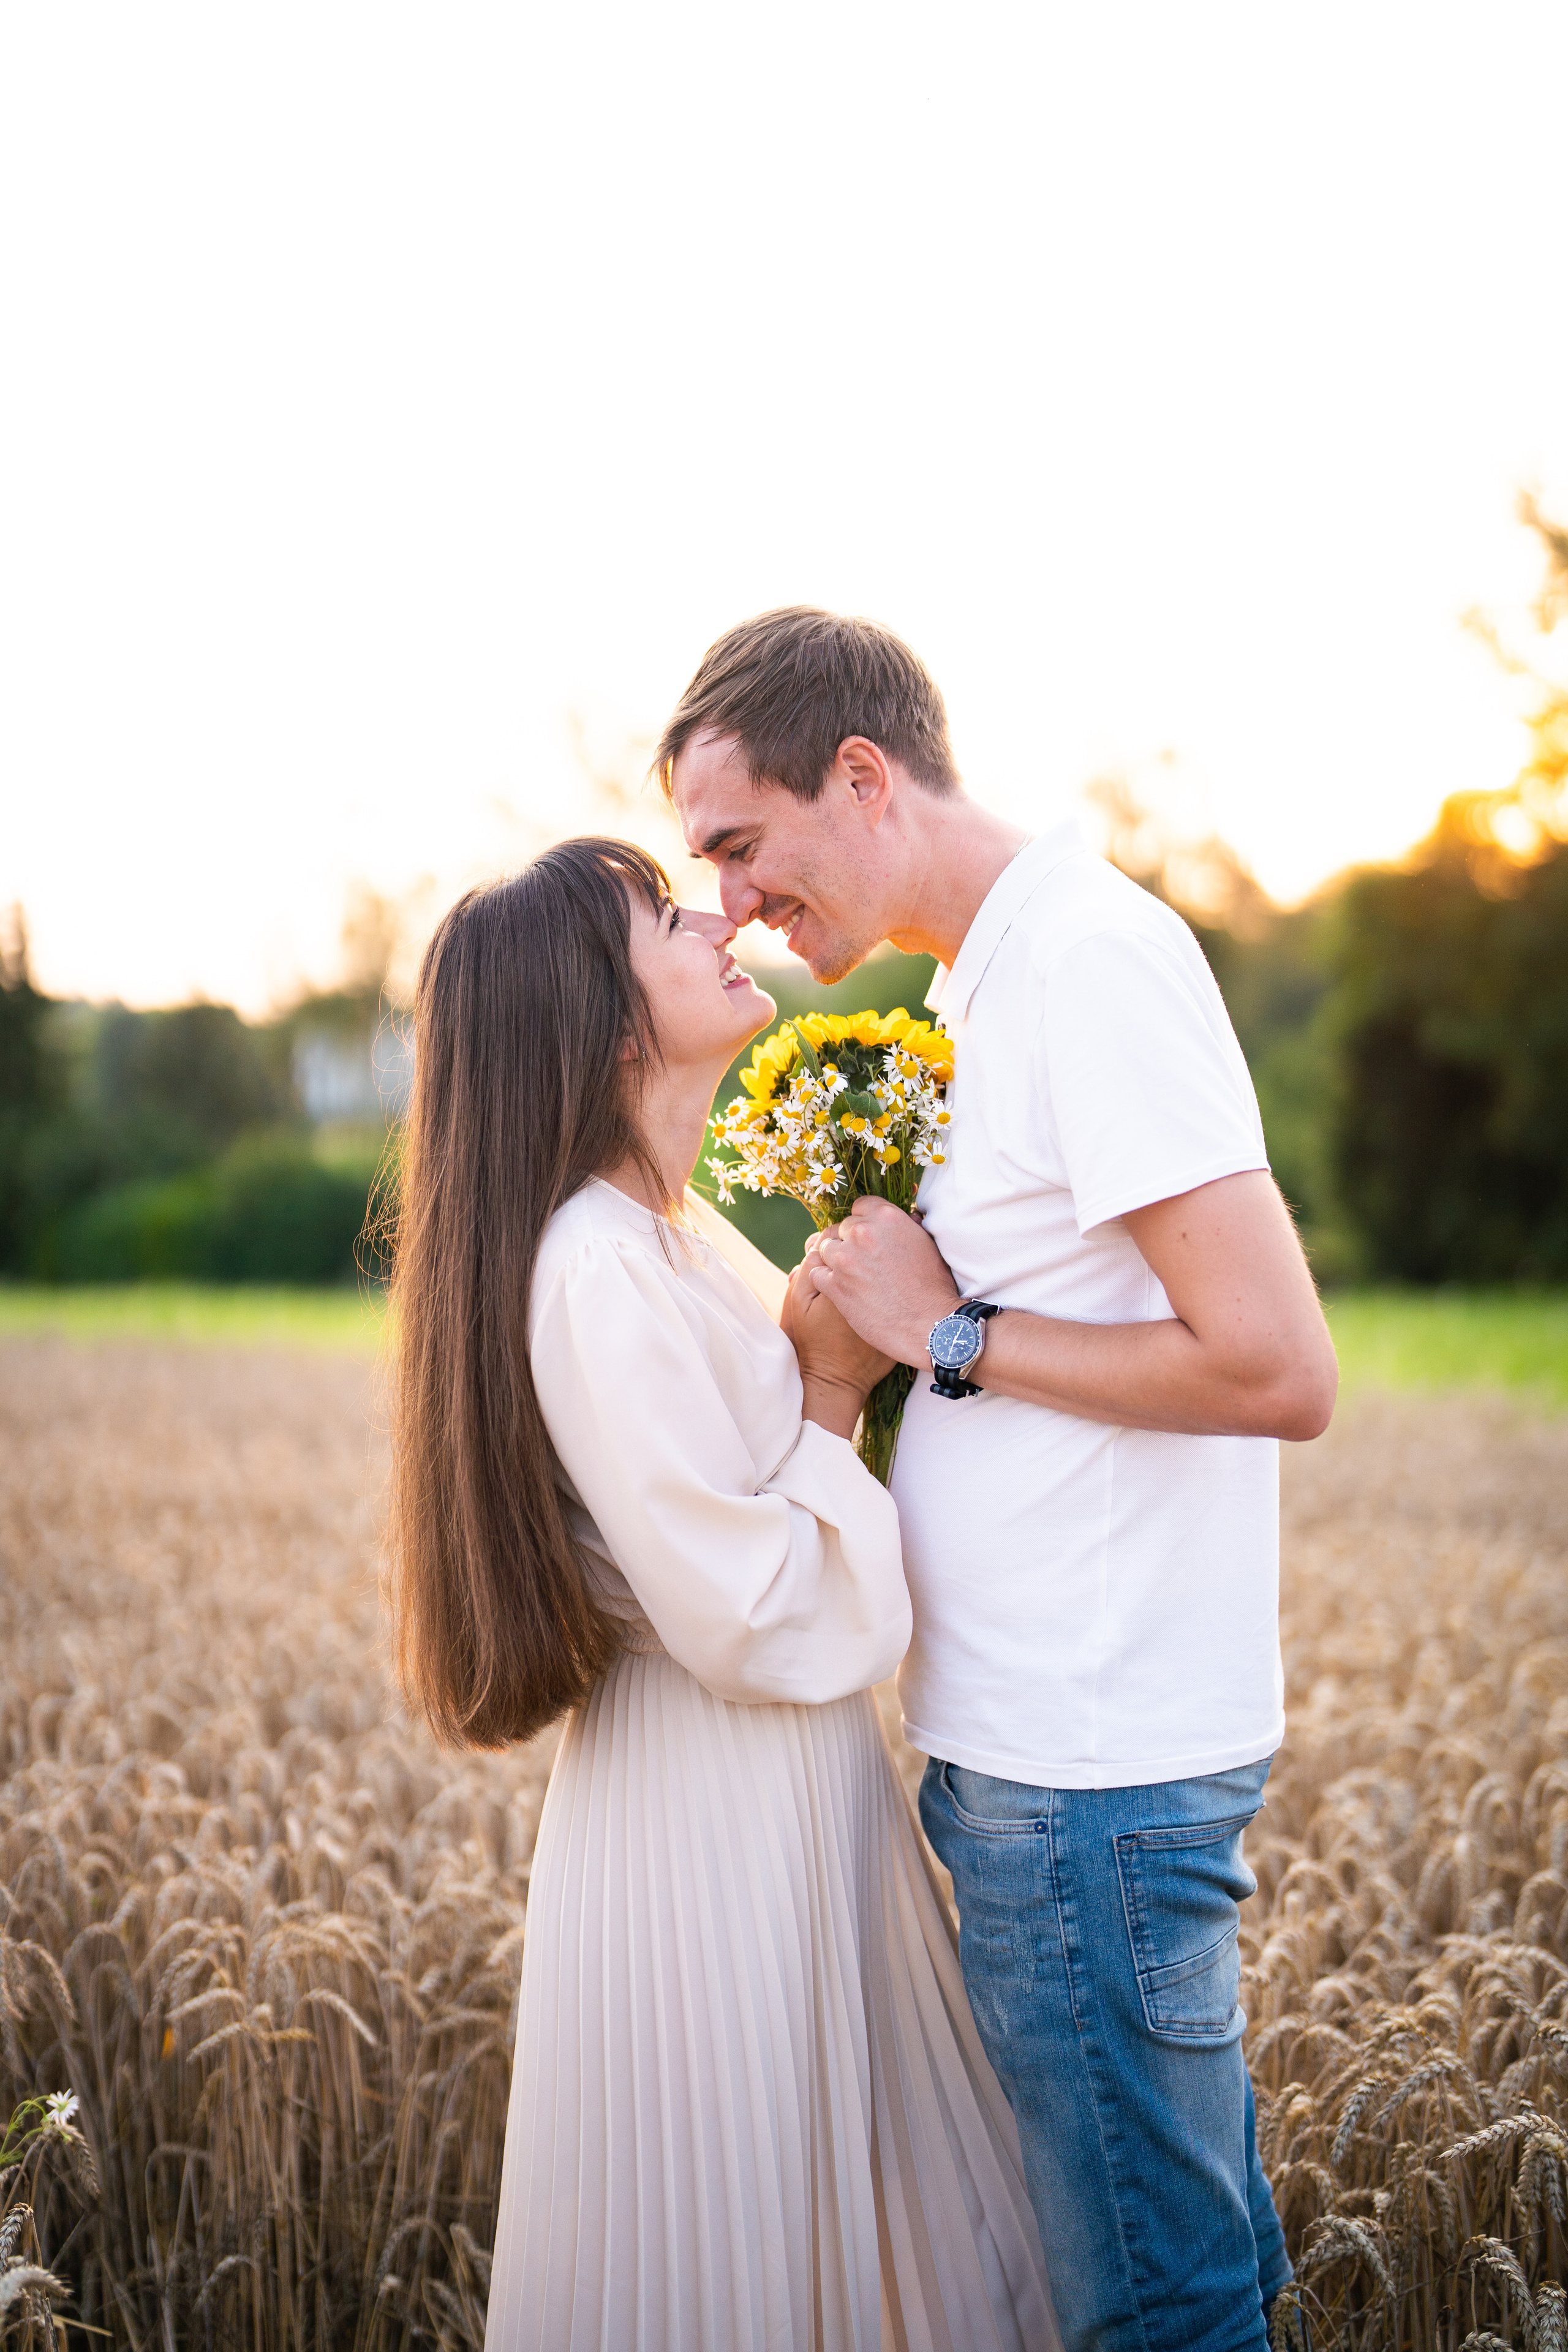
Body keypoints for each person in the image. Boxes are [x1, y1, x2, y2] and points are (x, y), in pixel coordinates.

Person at [660, 609, 1340, 2352]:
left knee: (1152, 2313)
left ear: (865, 778)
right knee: (1183, 2278)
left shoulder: (1086, 964)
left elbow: (1279, 1364)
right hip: (1042, 1761)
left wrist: (952, 1335)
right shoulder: (984, 979)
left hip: (1091, 1773)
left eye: (739, 845)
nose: (728, 903)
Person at [384, 838, 1057, 2352]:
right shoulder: (595, 1267)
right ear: (609, 1026)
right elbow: (743, 1609)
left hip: (785, 1791)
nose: (718, 916)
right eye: (664, 915)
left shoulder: (667, 1238)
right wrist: (828, 1390)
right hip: (711, 1819)